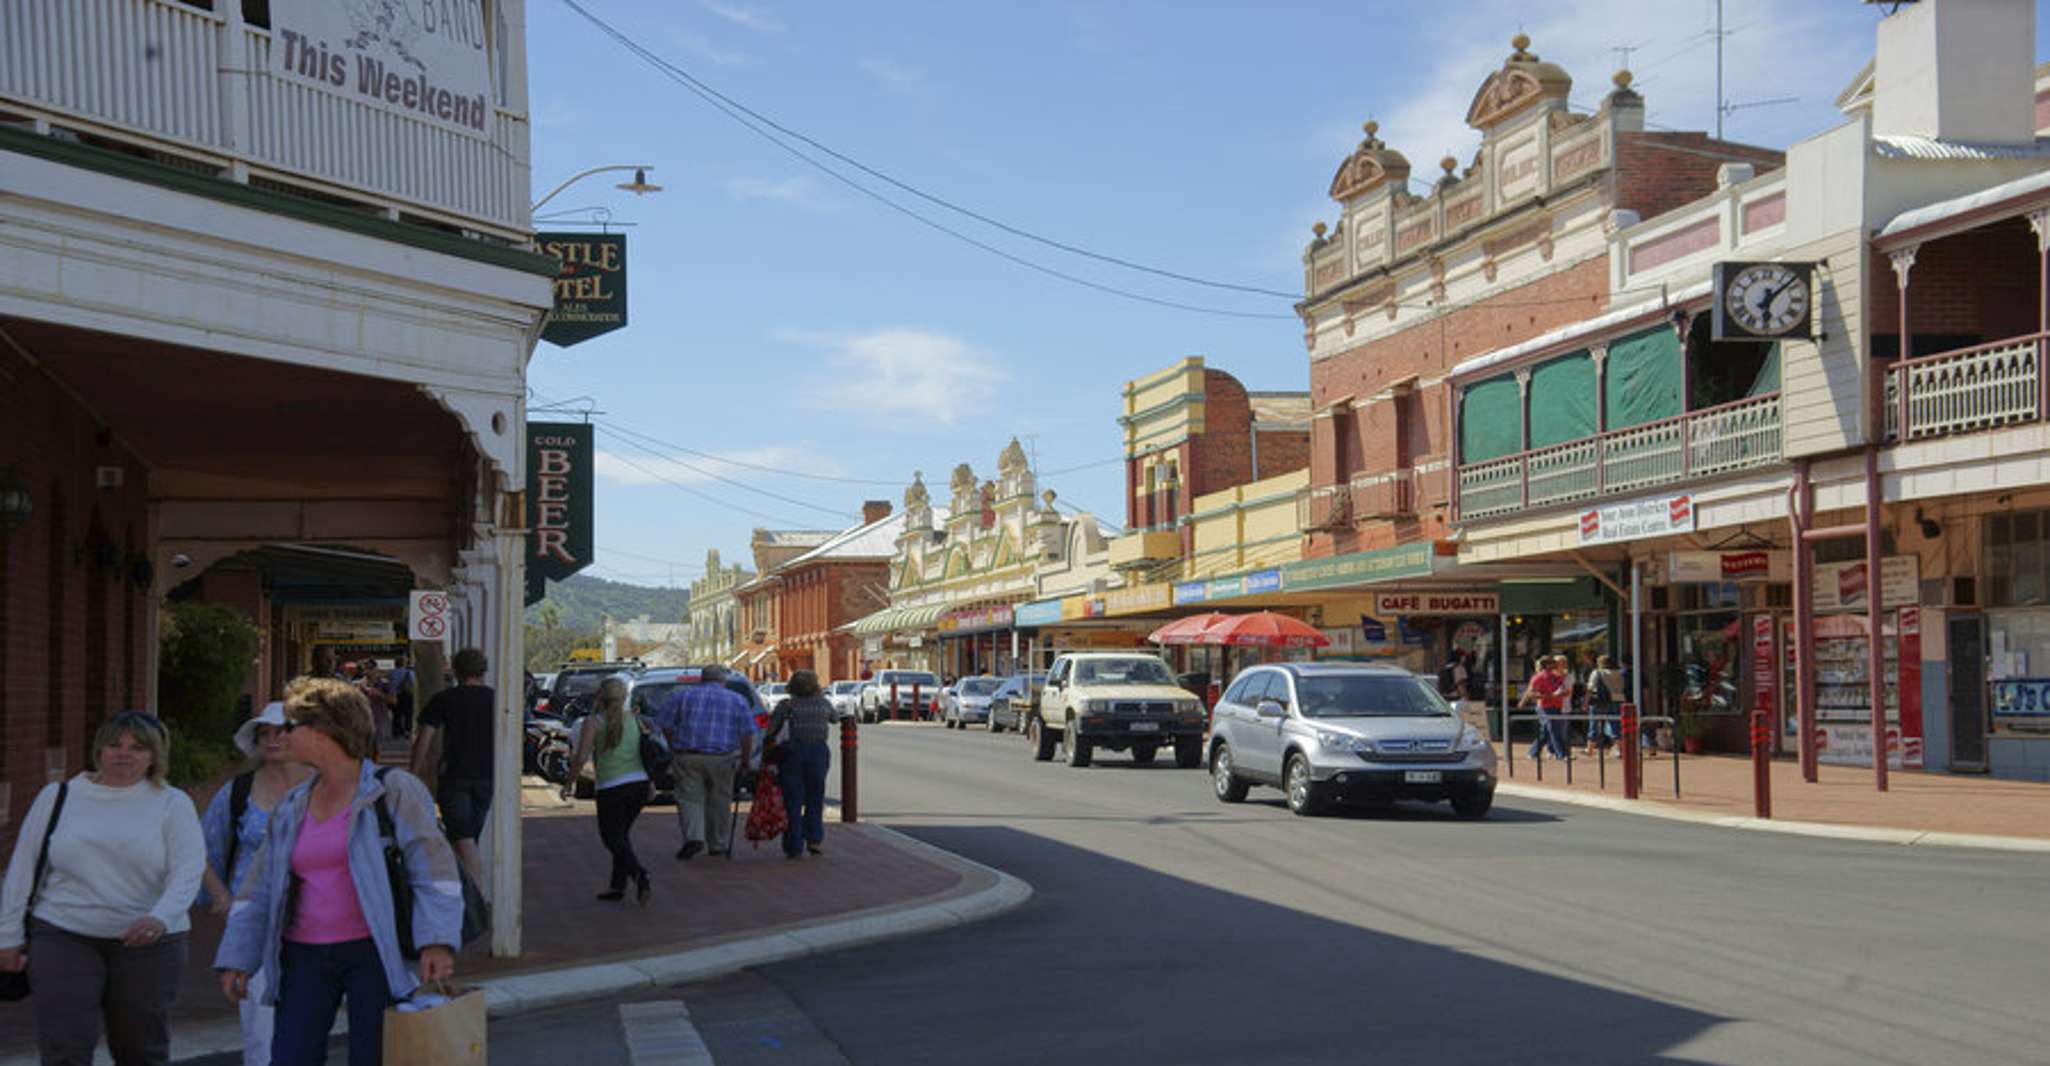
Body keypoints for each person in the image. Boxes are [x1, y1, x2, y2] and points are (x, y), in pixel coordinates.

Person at [216, 677, 463, 1066]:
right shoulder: (293, 804)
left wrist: (437, 940)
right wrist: (237, 957)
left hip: (374, 955)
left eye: (291, 727)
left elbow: (434, 870)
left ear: (323, 731)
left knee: (375, 1057)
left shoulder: (393, 790)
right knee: (289, 1057)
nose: (282, 737)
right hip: (303, 957)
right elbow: (258, 889)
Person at [0, 712, 204, 1066]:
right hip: (63, 933)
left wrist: (160, 917)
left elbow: (188, 871)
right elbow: (21, 868)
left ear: (155, 755)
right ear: (99, 750)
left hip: (149, 945)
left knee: (140, 1048)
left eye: (138, 748)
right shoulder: (58, 796)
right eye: (114, 744)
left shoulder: (172, 803)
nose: (123, 754)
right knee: (65, 1045)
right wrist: (7, 936)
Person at [199, 702, 314, 1066]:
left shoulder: (328, 787)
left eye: (282, 730)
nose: (273, 739)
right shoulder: (237, 793)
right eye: (265, 732)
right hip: (254, 922)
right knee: (260, 1028)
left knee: (308, 1023)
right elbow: (201, 850)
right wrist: (222, 897)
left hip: (319, 921)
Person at [561, 677, 652, 904]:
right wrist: (651, 782)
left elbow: (581, 756)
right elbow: (644, 752)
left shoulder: (594, 722)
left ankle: (639, 873)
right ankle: (617, 886)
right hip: (638, 784)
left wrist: (569, 782)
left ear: (600, 695)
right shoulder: (635, 719)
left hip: (611, 786)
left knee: (612, 838)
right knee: (621, 836)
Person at [652, 665, 756, 860]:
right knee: (719, 800)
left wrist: (674, 744)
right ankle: (718, 843)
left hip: (688, 754)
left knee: (689, 798)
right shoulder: (736, 700)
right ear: (722, 680)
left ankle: (694, 836)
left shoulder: (682, 696)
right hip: (723, 758)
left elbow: (665, 723)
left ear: (701, 679)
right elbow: (747, 733)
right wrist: (745, 759)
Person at [410, 647, 494, 887]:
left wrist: (414, 773)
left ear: (456, 670)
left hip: (454, 776)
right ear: (483, 670)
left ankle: (474, 901)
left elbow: (424, 738)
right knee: (468, 839)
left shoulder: (444, 699)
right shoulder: (495, 699)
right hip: (487, 777)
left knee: (463, 840)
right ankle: (466, 894)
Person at [764, 670, 835, 860]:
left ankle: (793, 845)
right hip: (818, 753)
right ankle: (814, 839)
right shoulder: (823, 703)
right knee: (815, 797)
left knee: (792, 800)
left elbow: (771, 730)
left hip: (791, 753)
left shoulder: (786, 706)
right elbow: (835, 718)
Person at [1519, 655, 1572, 761]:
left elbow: (1564, 690)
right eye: (1552, 663)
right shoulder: (1538, 677)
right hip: (1545, 707)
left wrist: (1563, 693)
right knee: (1554, 729)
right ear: (1546, 665)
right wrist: (1550, 695)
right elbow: (1531, 693)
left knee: (1546, 731)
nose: (1555, 665)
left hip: (1557, 706)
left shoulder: (1557, 677)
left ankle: (1533, 752)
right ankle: (1561, 754)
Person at [1584, 655, 1627, 756]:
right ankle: (1618, 748)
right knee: (1615, 724)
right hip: (1617, 700)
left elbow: (1590, 688)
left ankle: (1590, 748)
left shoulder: (1597, 672)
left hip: (1600, 701)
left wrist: (1585, 702)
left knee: (1594, 723)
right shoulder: (1619, 673)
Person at [385, 656, 415, 741]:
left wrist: (391, 695)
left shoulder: (392, 673)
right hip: (407, 696)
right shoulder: (409, 672)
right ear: (404, 663)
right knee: (408, 714)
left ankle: (396, 732)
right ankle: (407, 730)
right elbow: (413, 683)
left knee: (396, 714)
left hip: (396, 695)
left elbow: (391, 686)